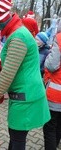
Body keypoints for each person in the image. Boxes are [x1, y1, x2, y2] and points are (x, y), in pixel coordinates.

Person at [0, 0, 50, 150]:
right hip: (23, 95)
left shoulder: (18, 38)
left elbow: (7, 74)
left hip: (25, 98)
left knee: (17, 138)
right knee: (16, 137)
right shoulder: (16, 32)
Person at [43, 19, 61, 150]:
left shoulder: (59, 39)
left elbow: (52, 65)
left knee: (50, 127)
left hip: (56, 92)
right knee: (59, 124)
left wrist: (48, 56)